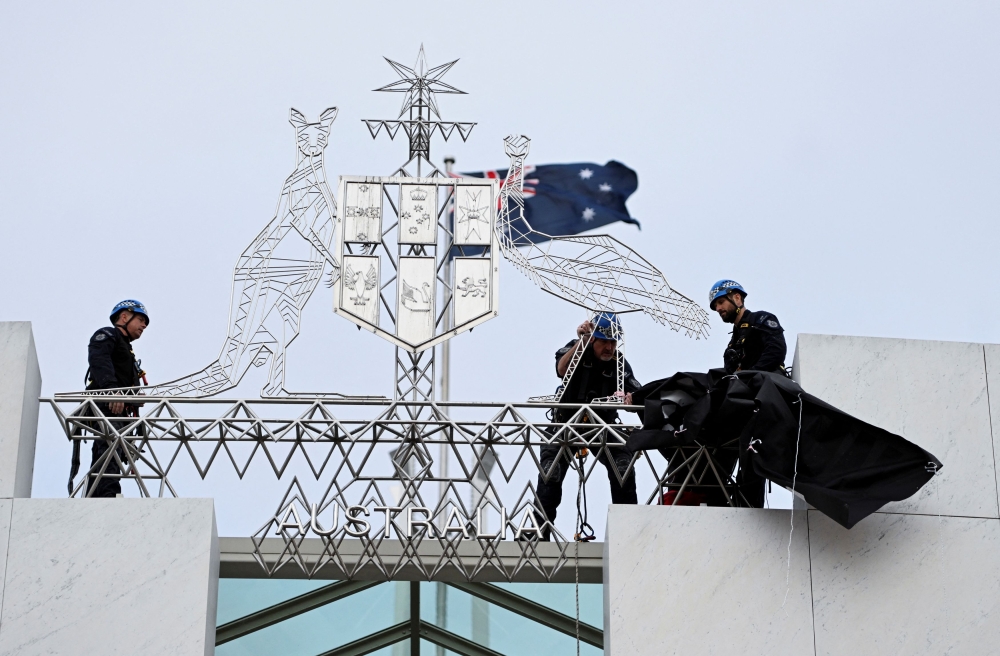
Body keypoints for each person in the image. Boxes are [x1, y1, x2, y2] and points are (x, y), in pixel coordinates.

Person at [535, 312, 641, 538]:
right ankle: (538, 534)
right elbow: (561, 370)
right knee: (549, 471)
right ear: (593, 338)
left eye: (613, 342)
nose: (610, 348)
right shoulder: (576, 348)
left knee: (623, 466)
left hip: (603, 426)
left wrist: (633, 398)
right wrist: (582, 341)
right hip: (565, 423)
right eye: (605, 341)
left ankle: (629, 534)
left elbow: (636, 390)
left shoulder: (618, 363)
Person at [79, 299, 149, 497]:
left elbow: (122, 375)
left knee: (112, 448)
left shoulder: (128, 351)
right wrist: (112, 391)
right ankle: (106, 496)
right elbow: (99, 361)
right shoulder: (107, 335)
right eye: (141, 319)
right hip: (107, 404)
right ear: (124, 317)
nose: (144, 325)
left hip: (119, 409)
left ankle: (100, 495)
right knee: (109, 446)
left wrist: (134, 396)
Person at [708, 280, 787, 374]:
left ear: (737, 298)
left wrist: (750, 374)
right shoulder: (732, 344)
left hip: (768, 382)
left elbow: (776, 350)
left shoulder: (761, 319)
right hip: (745, 386)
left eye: (721, 302)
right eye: (716, 306)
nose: (718, 309)